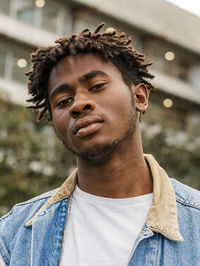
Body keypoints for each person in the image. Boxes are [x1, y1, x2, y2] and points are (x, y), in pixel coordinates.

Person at [0, 23, 200, 266]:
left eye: (96, 87)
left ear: (140, 97)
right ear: (54, 123)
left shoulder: (195, 222)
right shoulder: (14, 234)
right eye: (63, 101)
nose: (79, 104)